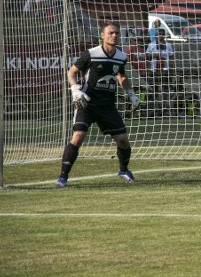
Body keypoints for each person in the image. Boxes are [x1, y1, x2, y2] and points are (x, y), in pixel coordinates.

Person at [56, 22, 141, 187]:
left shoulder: (121, 57)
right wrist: (75, 89)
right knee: (78, 136)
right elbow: (72, 72)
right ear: (102, 35)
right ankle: (63, 177)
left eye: (116, 33)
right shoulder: (92, 54)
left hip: (107, 106)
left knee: (123, 140)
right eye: (110, 33)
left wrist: (131, 94)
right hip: (87, 103)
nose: (114, 35)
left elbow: (122, 77)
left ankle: (123, 170)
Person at [146, 29, 175, 114]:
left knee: (164, 88)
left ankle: (163, 105)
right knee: (154, 88)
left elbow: (172, 57)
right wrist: (154, 55)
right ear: (156, 36)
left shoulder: (169, 45)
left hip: (165, 69)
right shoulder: (151, 45)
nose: (161, 35)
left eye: (163, 34)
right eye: (159, 34)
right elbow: (147, 56)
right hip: (154, 69)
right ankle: (155, 105)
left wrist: (171, 68)